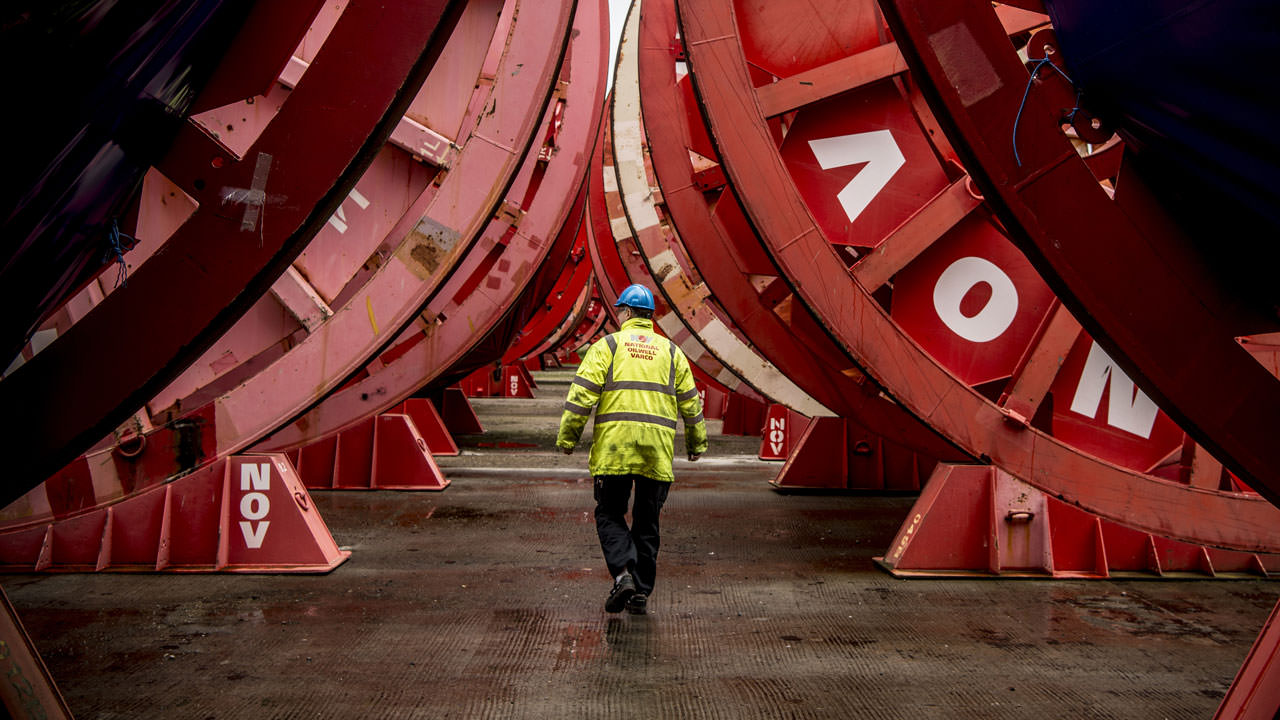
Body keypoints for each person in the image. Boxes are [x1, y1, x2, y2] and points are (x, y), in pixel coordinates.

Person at [557, 284, 708, 615]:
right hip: (656, 452)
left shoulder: (607, 347)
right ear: (651, 316)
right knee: (647, 520)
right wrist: (697, 444)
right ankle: (640, 592)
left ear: (625, 313)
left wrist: (568, 438)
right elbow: (691, 403)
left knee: (609, 512)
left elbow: (581, 395)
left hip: (615, 451)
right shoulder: (671, 352)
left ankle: (623, 574)